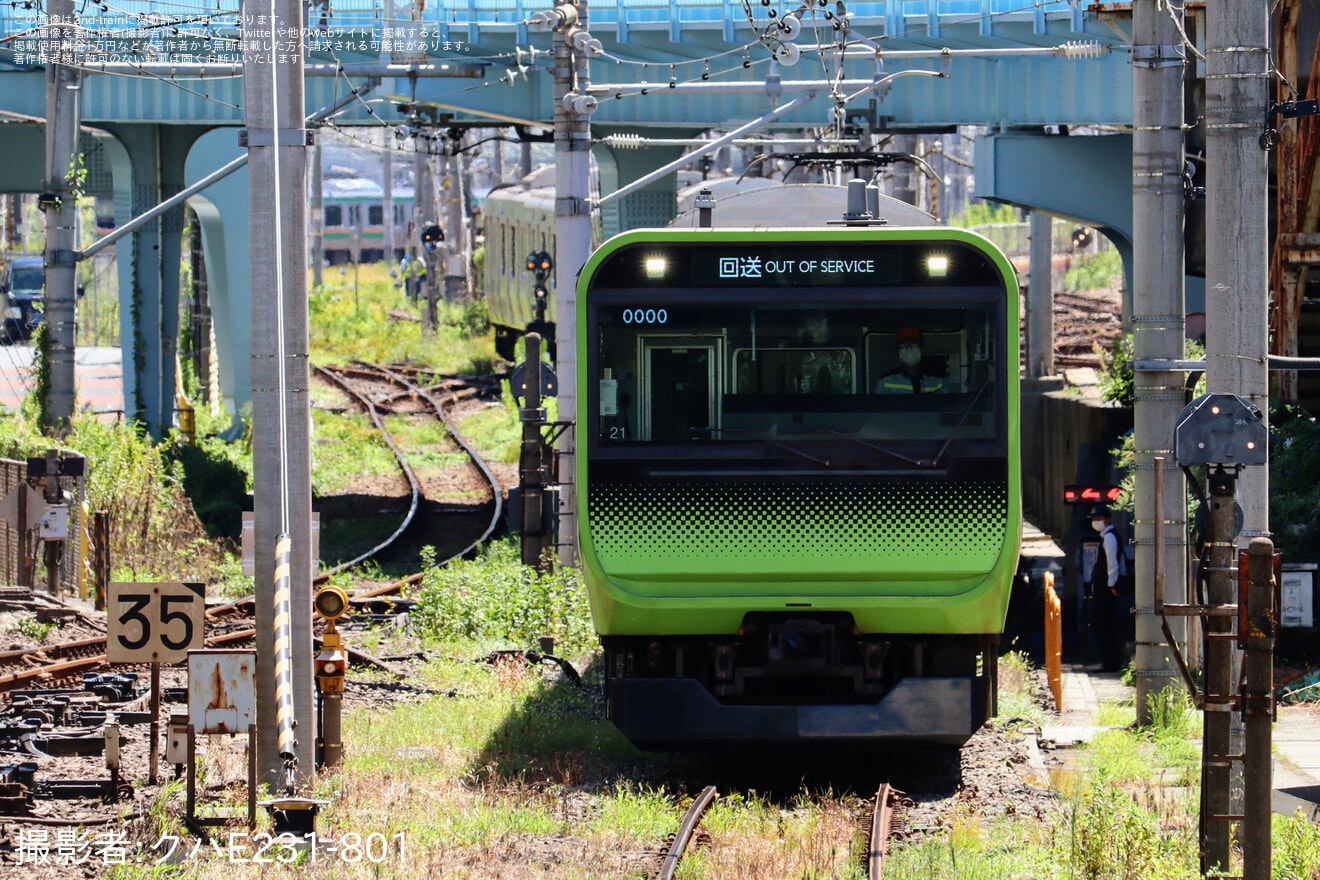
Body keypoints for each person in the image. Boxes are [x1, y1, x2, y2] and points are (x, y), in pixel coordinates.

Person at [1088, 503, 1126, 672]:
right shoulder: (1108, 536)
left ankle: (1110, 662)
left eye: (1099, 519)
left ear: (1108, 519)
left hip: (1106, 588)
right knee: (1105, 624)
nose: (1096, 522)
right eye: (1094, 519)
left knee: (1102, 624)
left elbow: (1112, 563)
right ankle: (1110, 662)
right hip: (1105, 587)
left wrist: (1111, 584)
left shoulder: (1110, 537)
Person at [875, 327, 944, 393]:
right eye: (903, 345)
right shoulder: (885, 382)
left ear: (922, 350)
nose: (909, 349)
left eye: (914, 345)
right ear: (898, 352)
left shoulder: (939, 380)